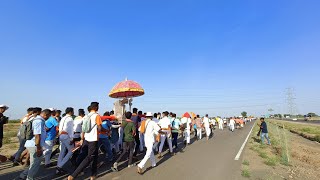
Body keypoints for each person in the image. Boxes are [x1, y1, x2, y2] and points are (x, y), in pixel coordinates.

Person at [68, 102, 102, 180]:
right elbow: (99, 128)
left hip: (86, 138)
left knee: (94, 156)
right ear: (96, 107)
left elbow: (83, 129)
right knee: (89, 157)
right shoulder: (97, 116)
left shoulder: (86, 116)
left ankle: (93, 175)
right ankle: (74, 175)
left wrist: (82, 139)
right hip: (93, 139)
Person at [19, 109, 51, 180]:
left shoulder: (36, 119)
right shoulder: (39, 121)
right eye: (48, 116)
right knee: (35, 165)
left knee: (33, 164)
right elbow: (37, 135)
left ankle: (23, 175)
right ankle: (29, 178)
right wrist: (39, 148)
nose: (48, 118)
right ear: (46, 115)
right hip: (35, 145)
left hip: (32, 144)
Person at [56, 107, 75, 174]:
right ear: (71, 112)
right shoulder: (70, 119)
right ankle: (59, 166)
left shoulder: (63, 118)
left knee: (62, 152)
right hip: (66, 136)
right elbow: (70, 129)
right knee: (71, 151)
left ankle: (58, 168)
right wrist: (72, 138)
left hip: (61, 135)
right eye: (73, 111)